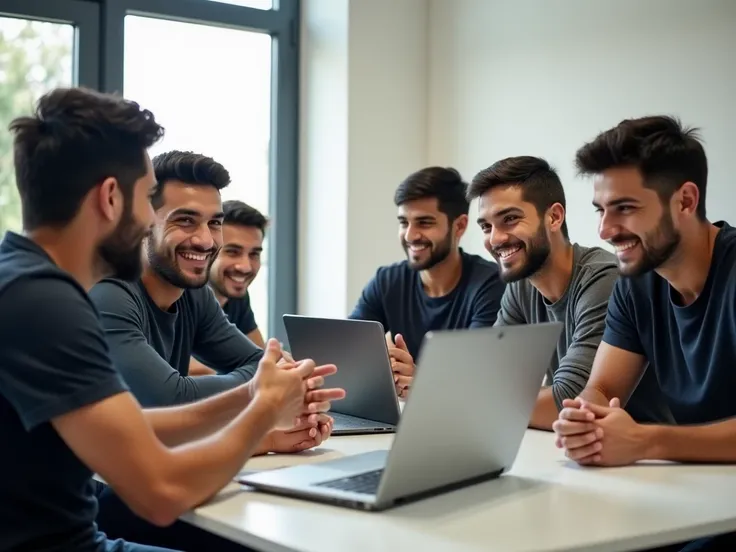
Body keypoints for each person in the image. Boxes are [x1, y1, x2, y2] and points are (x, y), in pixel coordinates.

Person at [0, 87, 341, 552]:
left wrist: (258, 400)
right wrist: (261, 409)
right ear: (110, 199)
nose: (146, 219)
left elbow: (133, 428)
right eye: (146, 199)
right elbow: (161, 494)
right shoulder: (44, 304)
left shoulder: (25, 282)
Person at [89, 150, 341, 548]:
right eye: (185, 221)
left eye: (214, 223)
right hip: (103, 499)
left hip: (156, 477)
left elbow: (256, 363)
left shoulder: (193, 294)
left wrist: (273, 422)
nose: (205, 240)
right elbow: (168, 399)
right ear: (141, 223)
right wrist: (266, 395)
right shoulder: (110, 294)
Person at [553, 115, 736, 550]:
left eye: (626, 208)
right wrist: (583, 420)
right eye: (601, 210)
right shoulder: (636, 283)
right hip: (700, 496)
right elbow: (601, 385)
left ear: (685, 201)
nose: (605, 230)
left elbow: (644, 438)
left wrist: (646, 439)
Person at [467, 155, 670, 430]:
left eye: (510, 219)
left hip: (642, 462)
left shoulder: (604, 278)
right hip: (572, 450)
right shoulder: (520, 286)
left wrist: (476, 403)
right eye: (486, 227)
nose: (495, 239)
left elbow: (568, 400)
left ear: (554, 216)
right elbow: (488, 380)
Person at [349, 166, 505, 397]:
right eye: (404, 222)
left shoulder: (490, 284)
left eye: (424, 223)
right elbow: (348, 348)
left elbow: (476, 380)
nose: (410, 235)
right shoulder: (387, 281)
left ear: (460, 226)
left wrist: (418, 379)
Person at [189, 200, 268, 376]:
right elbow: (196, 373)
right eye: (232, 252)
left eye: (254, 254)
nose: (245, 266)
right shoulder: (183, 298)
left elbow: (263, 361)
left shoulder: (237, 296)